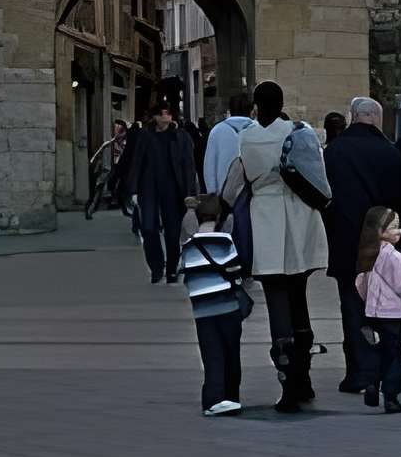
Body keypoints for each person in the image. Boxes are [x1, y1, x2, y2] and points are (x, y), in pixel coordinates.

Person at [223, 81, 329, 413]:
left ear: (256, 106)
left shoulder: (246, 137)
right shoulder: (298, 132)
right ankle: (304, 378)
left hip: (265, 218)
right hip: (299, 217)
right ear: (282, 103)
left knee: (277, 302)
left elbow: (232, 187)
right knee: (299, 297)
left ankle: (287, 382)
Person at [323, 96, 401, 394]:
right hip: (384, 242)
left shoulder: (334, 152)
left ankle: (361, 371)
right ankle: (392, 363)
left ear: (353, 116)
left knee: (352, 305)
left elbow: (326, 201)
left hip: (347, 241)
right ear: (376, 118)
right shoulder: (391, 153)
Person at [177, 196, 248, 416]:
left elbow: (186, 275)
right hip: (228, 308)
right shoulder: (225, 241)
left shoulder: (189, 247)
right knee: (231, 352)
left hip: (202, 312)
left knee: (212, 354)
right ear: (220, 217)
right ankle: (231, 395)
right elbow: (237, 273)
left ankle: (212, 399)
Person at [126, 97, 198, 285]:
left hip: (173, 188)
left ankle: (172, 268)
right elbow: (137, 162)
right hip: (148, 187)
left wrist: (190, 193)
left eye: (168, 113)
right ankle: (156, 267)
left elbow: (189, 166)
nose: (165, 116)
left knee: (173, 232)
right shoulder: (145, 136)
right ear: (155, 117)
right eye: (162, 113)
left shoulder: (180, 136)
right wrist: (133, 189)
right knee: (148, 228)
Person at [355, 206, 401, 413]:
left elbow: (360, 282)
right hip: (393, 313)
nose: (399, 231)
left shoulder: (368, 253)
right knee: (393, 353)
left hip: (372, 313)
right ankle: (391, 396)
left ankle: (372, 384)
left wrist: (368, 301)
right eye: (394, 227)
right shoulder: (392, 256)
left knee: (376, 351)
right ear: (380, 231)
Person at [203, 89, 253, 199]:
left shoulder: (217, 131)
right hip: (253, 194)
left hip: (224, 194)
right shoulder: (259, 130)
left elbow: (209, 165)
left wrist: (212, 191)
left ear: (230, 110)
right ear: (251, 110)